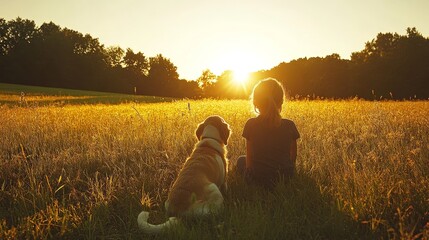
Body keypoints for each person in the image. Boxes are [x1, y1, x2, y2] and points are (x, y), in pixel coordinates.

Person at [236, 78, 300, 188]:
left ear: (256, 102)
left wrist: (249, 178)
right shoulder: (290, 125)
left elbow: (249, 159)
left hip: (258, 178)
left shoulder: (250, 124)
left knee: (241, 160)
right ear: (281, 101)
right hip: (284, 177)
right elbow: (292, 156)